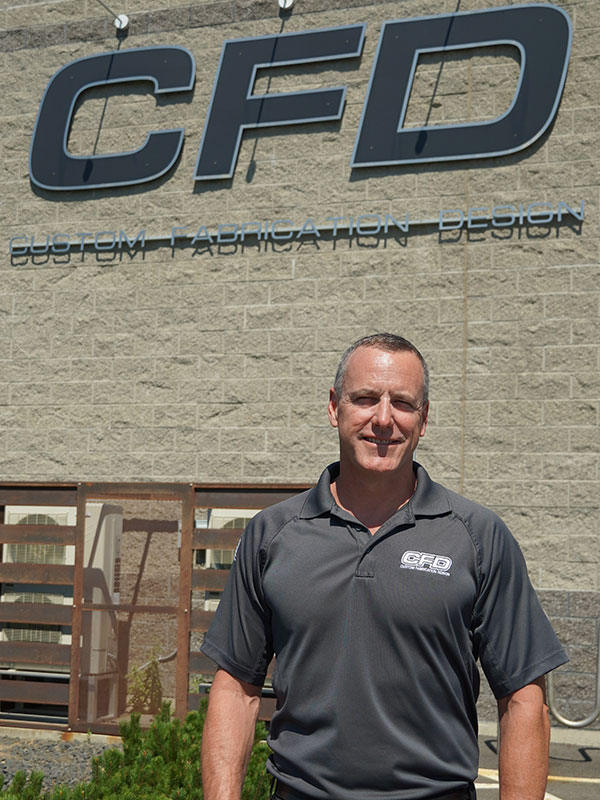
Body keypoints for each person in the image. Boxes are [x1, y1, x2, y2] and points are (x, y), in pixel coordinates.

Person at [200, 333, 568, 800]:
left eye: (403, 403)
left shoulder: (478, 536)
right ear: (335, 407)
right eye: (366, 399)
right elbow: (236, 688)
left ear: (424, 418)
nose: (383, 419)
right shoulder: (272, 534)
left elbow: (524, 701)